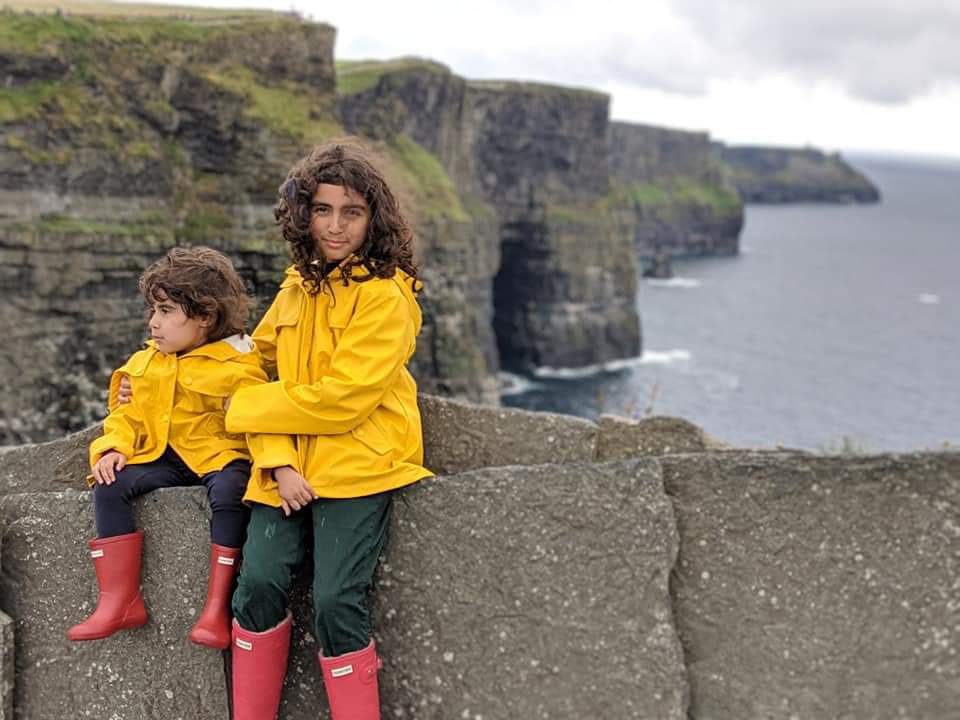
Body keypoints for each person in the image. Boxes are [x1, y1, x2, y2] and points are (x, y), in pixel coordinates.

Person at [223, 141, 432, 720]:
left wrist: (245, 410)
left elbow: (341, 403)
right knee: (258, 585)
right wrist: (276, 457)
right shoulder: (298, 285)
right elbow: (251, 367)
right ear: (304, 215)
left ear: (374, 219)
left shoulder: (386, 297)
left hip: (360, 463)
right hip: (283, 463)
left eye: (352, 212)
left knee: (337, 599)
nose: (335, 226)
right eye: (322, 210)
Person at [68, 246, 266, 651]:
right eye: (153, 310)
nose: (153, 323)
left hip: (218, 456)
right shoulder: (148, 362)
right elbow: (126, 415)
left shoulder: (237, 364)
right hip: (166, 454)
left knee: (231, 491)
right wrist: (115, 447)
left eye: (166, 311)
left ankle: (217, 606)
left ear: (206, 317)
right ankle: (119, 600)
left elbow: (257, 417)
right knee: (110, 483)